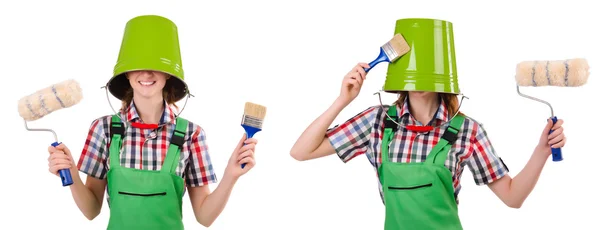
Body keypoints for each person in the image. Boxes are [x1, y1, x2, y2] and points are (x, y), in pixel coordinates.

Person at [289, 18, 567, 230]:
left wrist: (542, 149)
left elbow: (512, 197)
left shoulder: (467, 131)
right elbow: (301, 152)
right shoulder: (377, 121)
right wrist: (342, 100)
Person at [46, 15, 258, 229]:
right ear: (126, 73)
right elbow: (91, 210)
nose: (146, 73)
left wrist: (231, 175)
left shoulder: (191, 134)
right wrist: (71, 171)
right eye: (137, 65)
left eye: (155, 66)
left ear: (169, 75)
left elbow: (205, 216)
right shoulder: (104, 129)